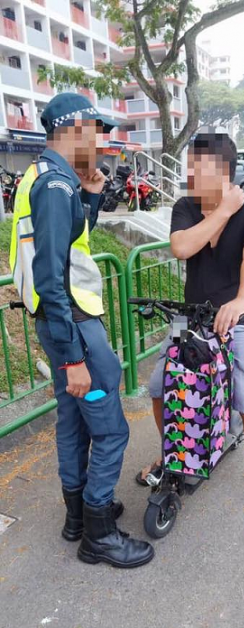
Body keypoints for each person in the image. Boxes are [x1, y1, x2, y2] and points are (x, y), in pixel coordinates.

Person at [7, 92, 153, 568]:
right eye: (98, 130)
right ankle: (100, 535)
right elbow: (52, 272)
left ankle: (78, 517)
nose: (104, 140)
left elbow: (71, 243)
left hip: (58, 322)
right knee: (110, 430)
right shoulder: (54, 185)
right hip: (75, 326)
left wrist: (90, 194)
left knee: (73, 422)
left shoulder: (48, 178)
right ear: (74, 131)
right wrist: (73, 357)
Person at [134, 133, 244, 515]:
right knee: (159, 385)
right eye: (189, 169)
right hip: (191, 319)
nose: (190, 177)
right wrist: (223, 210)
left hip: (240, 322)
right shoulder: (186, 207)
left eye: (199, 170)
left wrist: (241, 301)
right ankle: (173, 456)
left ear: (225, 172)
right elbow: (181, 247)